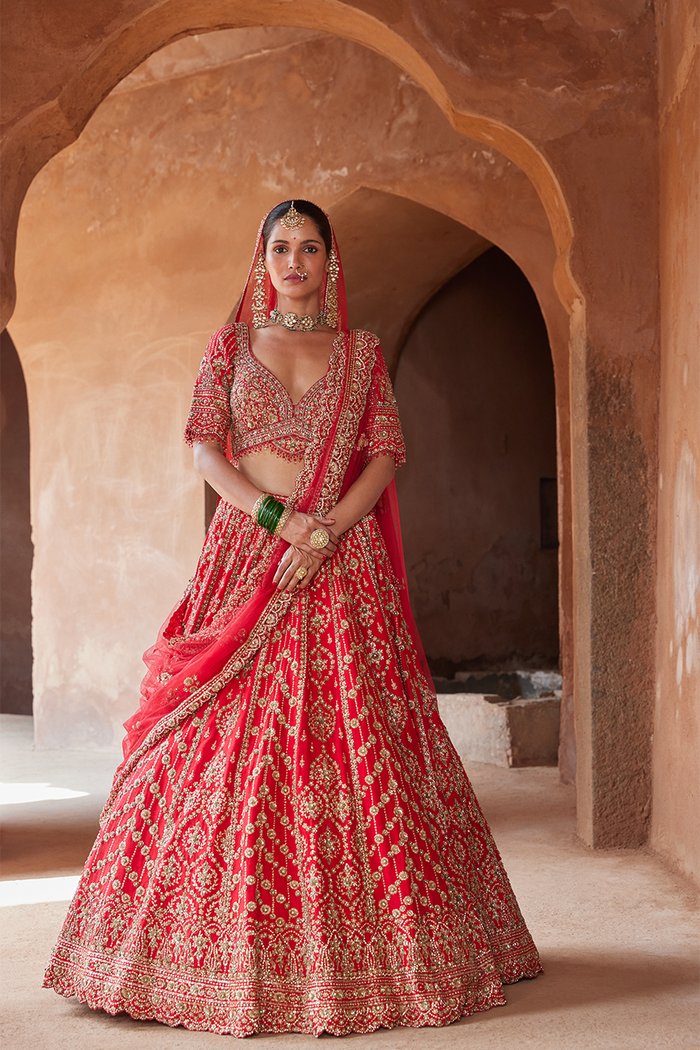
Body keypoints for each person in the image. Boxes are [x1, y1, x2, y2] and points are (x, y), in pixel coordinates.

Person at [44, 200, 541, 1036]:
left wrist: (327, 530)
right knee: (207, 748)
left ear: (330, 261)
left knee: (364, 747)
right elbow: (205, 449)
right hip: (249, 560)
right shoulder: (229, 348)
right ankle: (175, 958)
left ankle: (388, 958)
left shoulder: (361, 354)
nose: (295, 259)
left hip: (345, 572)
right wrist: (280, 523)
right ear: (262, 260)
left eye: (310, 246)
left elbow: (384, 455)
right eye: (281, 247)